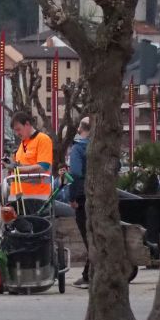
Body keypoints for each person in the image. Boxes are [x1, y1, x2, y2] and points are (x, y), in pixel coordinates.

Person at [10, 111, 54, 214]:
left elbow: (43, 166)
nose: (17, 133)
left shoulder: (43, 139)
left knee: (37, 227)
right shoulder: (22, 144)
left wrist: (17, 169)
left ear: (27, 124)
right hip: (18, 197)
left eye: (18, 129)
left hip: (37, 197)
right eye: (15, 131)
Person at [68, 117, 90, 288]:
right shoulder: (99, 148)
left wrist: (72, 197)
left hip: (83, 196)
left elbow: (74, 173)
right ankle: (89, 273)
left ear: (80, 128)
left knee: (87, 236)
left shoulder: (78, 148)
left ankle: (89, 274)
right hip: (100, 196)